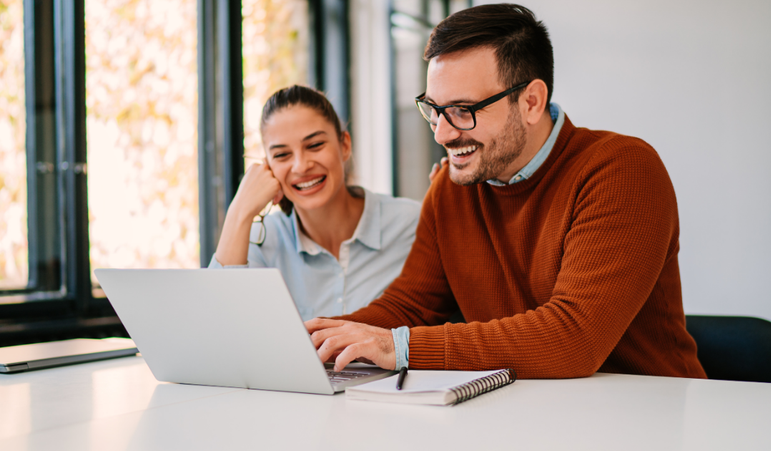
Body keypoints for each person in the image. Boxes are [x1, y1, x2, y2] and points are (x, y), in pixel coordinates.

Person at [305, 3, 707, 380]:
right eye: (434, 109)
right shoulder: (451, 186)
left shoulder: (621, 169)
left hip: (650, 417)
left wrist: (397, 346)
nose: (443, 133)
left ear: (531, 101)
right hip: (523, 414)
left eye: (464, 111)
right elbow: (411, 306)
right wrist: (318, 343)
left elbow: (574, 337)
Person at [210, 85, 420, 321]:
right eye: (281, 155)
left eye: (314, 145)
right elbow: (217, 325)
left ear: (344, 146)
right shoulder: (262, 241)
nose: (301, 166)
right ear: (268, 166)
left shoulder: (413, 224)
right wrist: (240, 211)